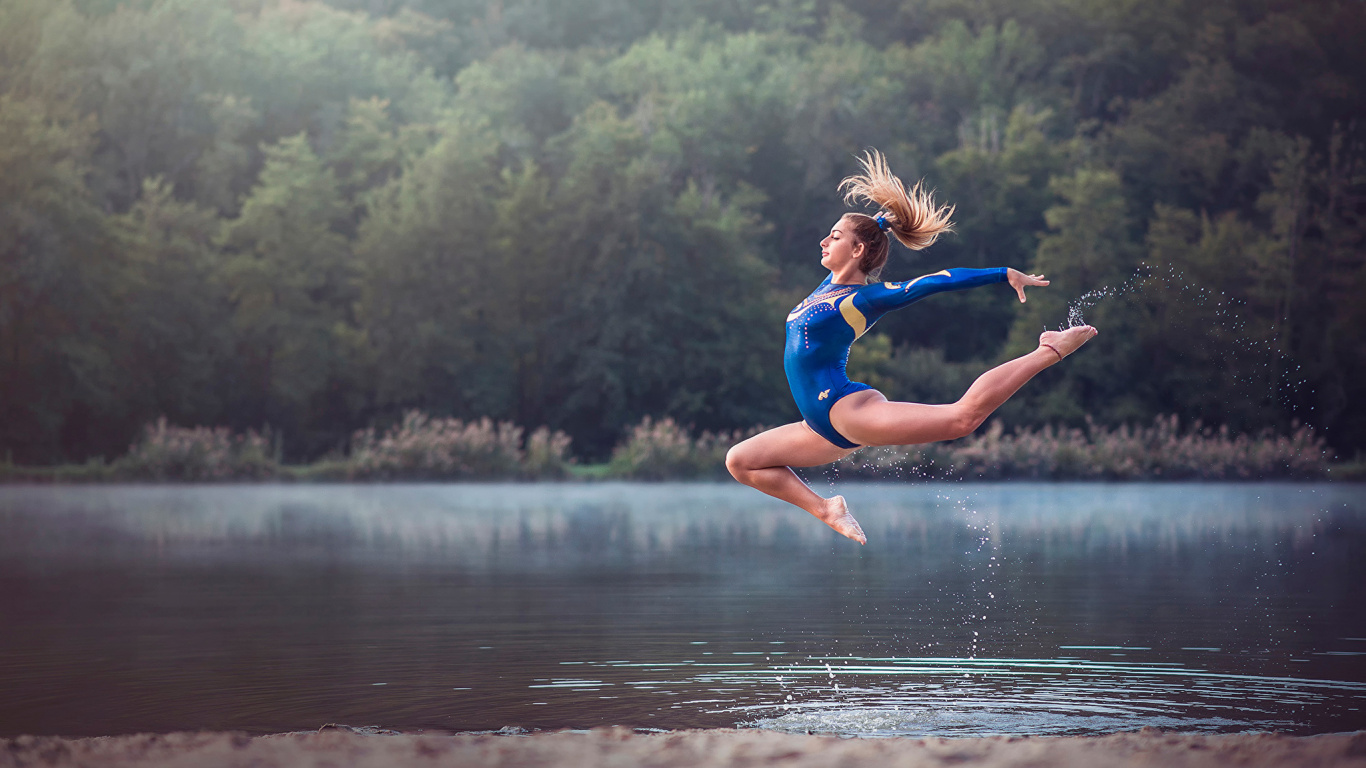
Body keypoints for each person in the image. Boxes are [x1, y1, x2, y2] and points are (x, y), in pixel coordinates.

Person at [725, 150, 1098, 544]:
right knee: (741, 461)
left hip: (844, 410)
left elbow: (936, 281)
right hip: (817, 428)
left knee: (961, 419)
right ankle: (827, 509)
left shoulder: (862, 299)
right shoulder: (826, 288)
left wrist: (1002, 274)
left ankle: (1049, 350)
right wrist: (880, 222)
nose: (823, 240)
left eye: (834, 236)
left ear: (857, 252)